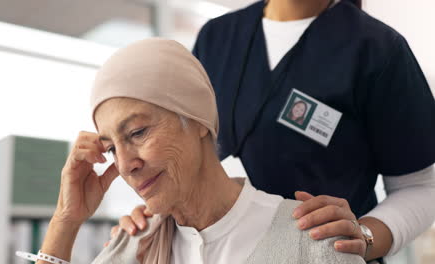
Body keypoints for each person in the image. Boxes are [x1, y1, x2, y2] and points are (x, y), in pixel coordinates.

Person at [114, 0, 435, 263]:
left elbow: (421, 187)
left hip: (322, 256)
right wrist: (159, 214)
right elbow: (185, 150)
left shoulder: (377, 50)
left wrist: (365, 237)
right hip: (222, 252)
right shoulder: (217, 38)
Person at [19, 38, 365, 264]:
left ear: (199, 119)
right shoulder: (128, 249)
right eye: (110, 149)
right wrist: (65, 220)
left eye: (137, 132)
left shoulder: (315, 243)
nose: (125, 165)